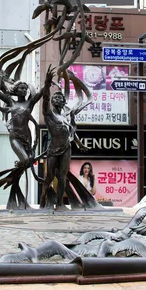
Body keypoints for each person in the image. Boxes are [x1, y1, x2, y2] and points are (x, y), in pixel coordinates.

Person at [40, 66, 91, 209]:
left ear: (63, 102)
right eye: (55, 97)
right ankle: (43, 200)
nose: (57, 98)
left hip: (66, 148)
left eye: (60, 97)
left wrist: (79, 144)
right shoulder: (49, 114)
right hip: (53, 150)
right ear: (52, 101)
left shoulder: (66, 116)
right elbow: (44, 98)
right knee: (49, 177)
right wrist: (46, 83)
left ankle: (60, 203)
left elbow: (71, 133)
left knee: (62, 177)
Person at [0, 70, 44, 168]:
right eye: (22, 88)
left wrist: (47, 82)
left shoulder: (29, 103)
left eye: (25, 89)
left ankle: (18, 166)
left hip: (26, 137)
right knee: (25, 160)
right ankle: (18, 165)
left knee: (29, 162)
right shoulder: (11, 102)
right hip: (15, 137)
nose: (24, 90)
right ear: (16, 90)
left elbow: (40, 94)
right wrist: (0, 76)